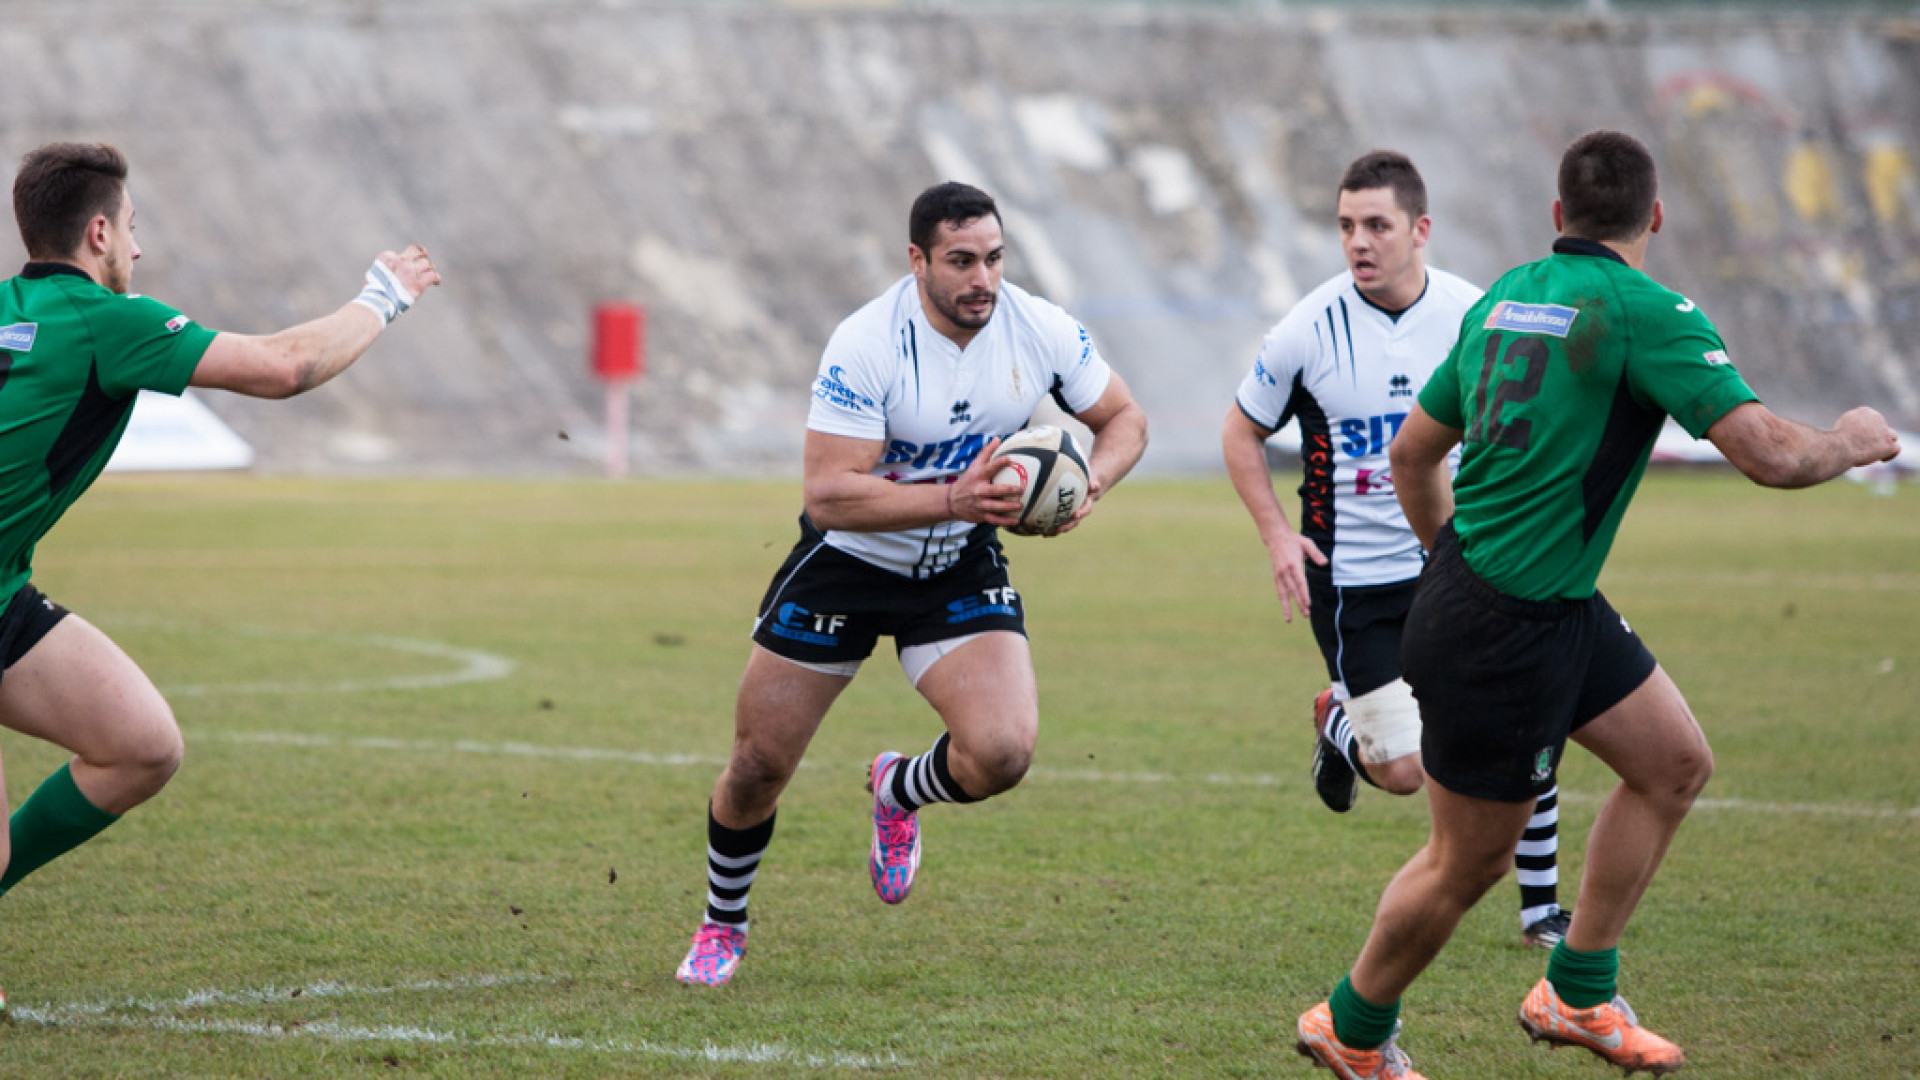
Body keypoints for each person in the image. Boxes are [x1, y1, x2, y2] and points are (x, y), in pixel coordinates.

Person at [1294, 130, 1900, 1080]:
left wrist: (1446, 556)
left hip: (1547, 603)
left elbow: (1411, 455)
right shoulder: (1642, 309)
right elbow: (1773, 456)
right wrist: (1858, 439)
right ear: (1653, 216)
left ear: (1556, 216)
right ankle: (1351, 1026)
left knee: (1672, 764)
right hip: (1504, 624)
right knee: (1469, 864)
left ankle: (1577, 990)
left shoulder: (1505, 294)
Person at [675, 181, 1149, 987]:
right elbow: (828, 494)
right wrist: (954, 496)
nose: (983, 280)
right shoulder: (866, 343)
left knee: (1003, 753)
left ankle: (898, 787)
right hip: (849, 566)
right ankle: (723, 924)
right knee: (758, 765)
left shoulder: (1036, 327)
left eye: (994, 259)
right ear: (918, 261)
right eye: (961, 261)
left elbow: (1126, 419)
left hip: (959, 563)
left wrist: (1089, 484)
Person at [0, 143, 439, 1013]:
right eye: (132, 228)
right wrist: (384, 297)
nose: (140, 247)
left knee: (141, 745)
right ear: (97, 232)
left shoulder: (12, 307)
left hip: (5, 592)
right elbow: (284, 367)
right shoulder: (99, 319)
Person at [1221, 150, 1570, 949]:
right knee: (1405, 774)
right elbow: (1240, 430)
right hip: (1355, 587)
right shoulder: (1307, 329)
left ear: (1420, 230)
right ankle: (1340, 725)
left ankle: (1542, 910)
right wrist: (1278, 533)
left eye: (1376, 225)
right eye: (1346, 226)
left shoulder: (1476, 314)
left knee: (1523, 718)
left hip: (1461, 565)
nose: (1358, 242)